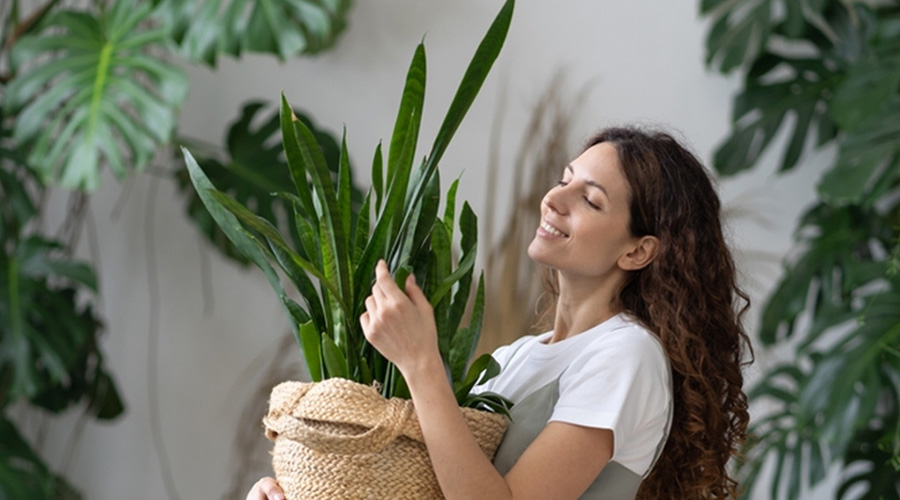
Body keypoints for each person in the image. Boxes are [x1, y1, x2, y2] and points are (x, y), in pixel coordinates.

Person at [247, 126, 753, 500]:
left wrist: (420, 363)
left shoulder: (627, 356)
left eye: (589, 200)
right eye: (563, 180)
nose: (553, 199)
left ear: (638, 252)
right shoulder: (515, 359)